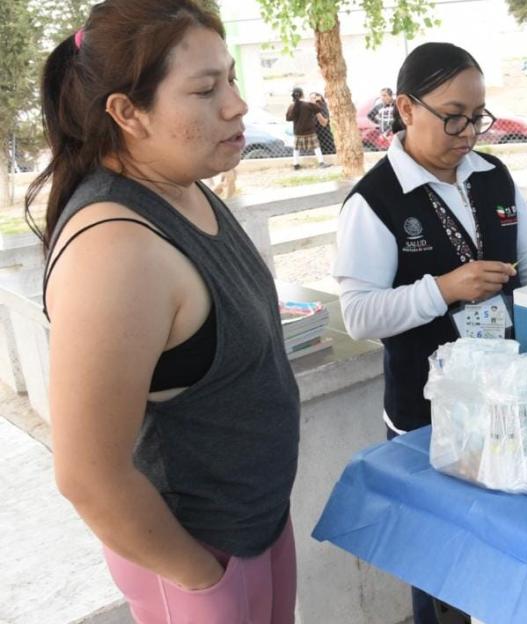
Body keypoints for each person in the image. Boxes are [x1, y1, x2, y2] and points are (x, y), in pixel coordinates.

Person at [29, 1, 300, 621]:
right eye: (205, 90)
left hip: (253, 527)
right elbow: (87, 475)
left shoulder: (182, 182)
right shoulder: (115, 249)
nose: (236, 105)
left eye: (231, 78)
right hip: (197, 559)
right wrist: (200, 580)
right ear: (127, 113)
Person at [333, 42, 527, 624]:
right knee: (442, 572)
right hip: (428, 417)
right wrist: (445, 288)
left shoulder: (493, 176)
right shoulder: (376, 201)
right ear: (406, 109)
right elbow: (359, 315)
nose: (468, 132)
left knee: (507, 557)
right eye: (452, 115)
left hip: (507, 401)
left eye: (477, 116)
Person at [285, 87, 328, 170]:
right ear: (303, 94)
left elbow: (288, 118)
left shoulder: (292, 106)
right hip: (310, 131)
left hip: (298, 132)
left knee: (296, 149)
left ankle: (296, 164)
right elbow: (319, 109)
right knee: (316, 147)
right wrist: (318, 101)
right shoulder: (308, 105)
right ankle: (321, 162)